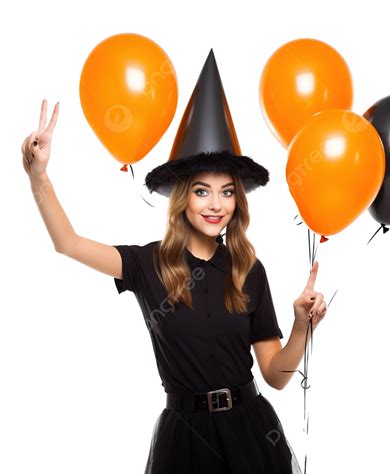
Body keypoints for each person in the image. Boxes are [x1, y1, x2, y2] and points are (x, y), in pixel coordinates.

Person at [23, 52, 327, 474]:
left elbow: (276, 375)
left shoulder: (248, 270)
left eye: (227, 192)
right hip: (184, 440)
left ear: (238, 200)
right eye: (202, 191)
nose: (215, 204)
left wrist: (301, 326)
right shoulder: (147, 263)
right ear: (182, 198)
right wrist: (38, 175)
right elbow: (68, 244)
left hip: (250, 432)